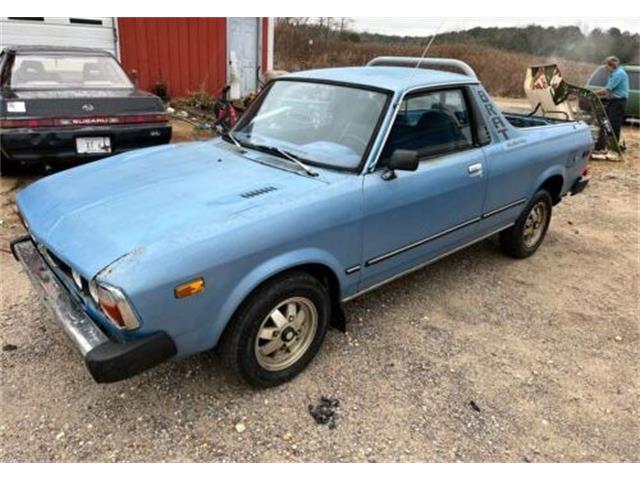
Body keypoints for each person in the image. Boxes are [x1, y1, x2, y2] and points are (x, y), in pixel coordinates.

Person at [593, 56, 630, 157]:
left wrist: (593, 93)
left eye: (606, 65)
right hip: (613, 101)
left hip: (618, 102)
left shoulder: (618, 74)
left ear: (611, 65)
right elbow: (607, 89)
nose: (605, 68)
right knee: (605, 122)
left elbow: (608, 89)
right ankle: (602, 146)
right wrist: (598, 91)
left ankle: (613, 149)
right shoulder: (614, 73)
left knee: (614, 124)